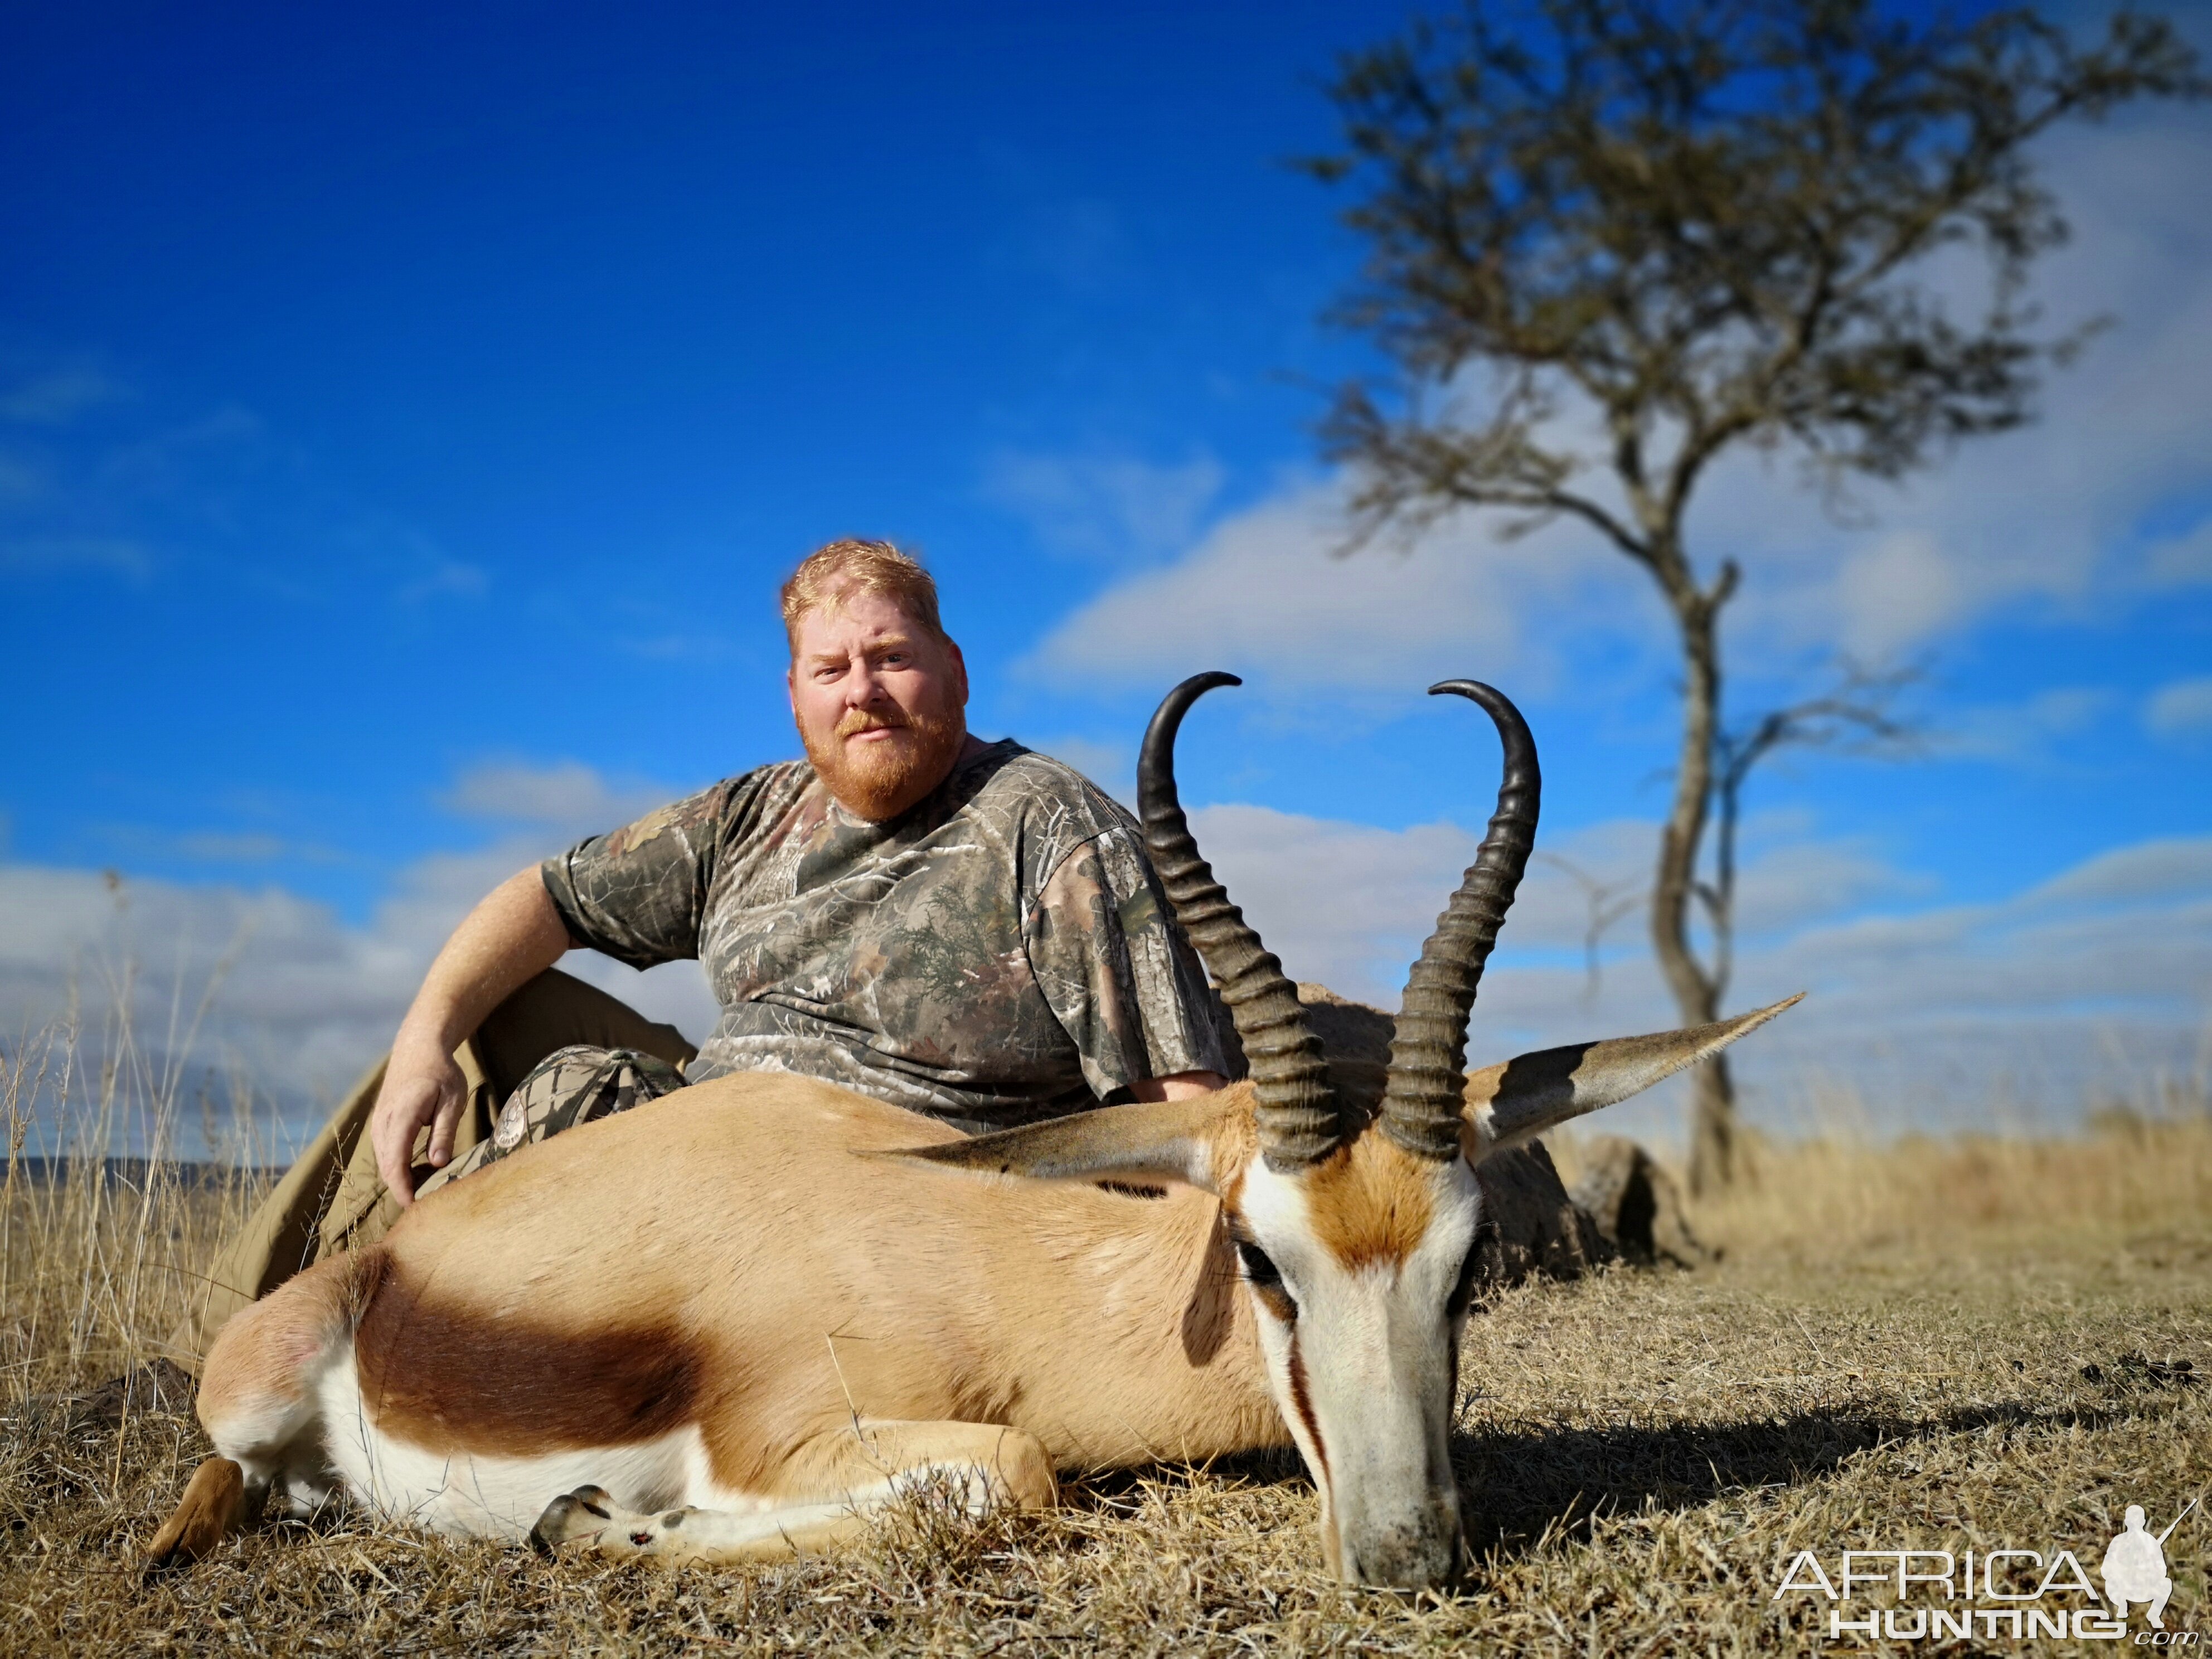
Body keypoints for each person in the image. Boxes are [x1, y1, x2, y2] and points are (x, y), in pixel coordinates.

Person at [177, 539, 1229, 1361]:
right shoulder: (752, 811)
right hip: (710, 1127)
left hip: (875, 1214)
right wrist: (422, 1041)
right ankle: (219, 1346)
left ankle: (373, 1338)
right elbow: (545, 895)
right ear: (795, 696)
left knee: (581, 1093)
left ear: (952, 672)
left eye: (892, 658)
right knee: (481, 1016)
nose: (861, 689)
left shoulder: (1050, 826)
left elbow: (1187, 1112)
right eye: (831, 668)